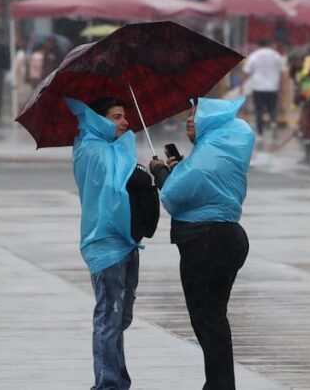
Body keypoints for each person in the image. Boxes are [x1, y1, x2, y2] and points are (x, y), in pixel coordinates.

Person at [149, 98, 255, 390]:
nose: (189, 119)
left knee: (207, 320)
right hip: (226, 237)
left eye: (196, 113)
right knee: (214, 319)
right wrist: (181, 168)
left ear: (211, 118)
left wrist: (160, 172)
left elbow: (175, 194)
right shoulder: (221, 146)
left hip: (205, 242)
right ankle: (220, 384)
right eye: (188, 114)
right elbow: (202, 184)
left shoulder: (209, 150)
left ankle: (220, 385)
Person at [66, 96, 155, 390]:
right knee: (109, 315)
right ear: (99, 120)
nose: (125, 122)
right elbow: (119, 181)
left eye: (124, 116)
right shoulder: (92, 150)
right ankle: (108, 383)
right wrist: (144, 172)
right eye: (117, 117)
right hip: (105, 244)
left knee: (121, 315)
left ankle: (117, 379)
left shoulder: (111, 148)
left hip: (125, 241)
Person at [242, 38, 286, 141]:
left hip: (258, 87)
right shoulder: (276, 55)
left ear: (258, 45)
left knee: (259, 111)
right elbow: (283, 71)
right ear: (269, 44)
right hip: (273, 87)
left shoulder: (254, 55)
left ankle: (260, 133)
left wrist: (242, 84)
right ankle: (273, 124)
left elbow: (246, 71)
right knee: (272, 109)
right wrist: (281, 86)